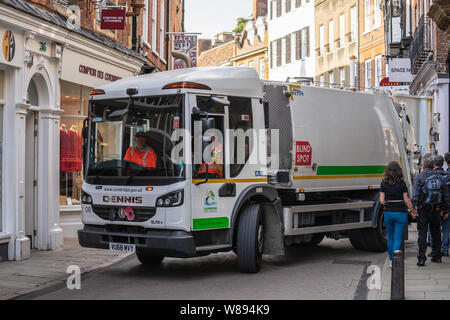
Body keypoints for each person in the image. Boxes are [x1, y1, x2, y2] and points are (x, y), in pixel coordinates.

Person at [380, 161, 418, 268]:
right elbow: (406, 200)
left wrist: (388, 202)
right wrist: (413, 211)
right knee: (398, 238)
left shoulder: (383, 183)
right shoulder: (402, 183)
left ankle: (391, 261)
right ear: (399, 171)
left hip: (388, 213)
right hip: (401, 213)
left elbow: (381, 201)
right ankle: (395, 261)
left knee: (390, 237)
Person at [412, 158, 449, 266]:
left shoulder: (419, 177)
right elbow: (445, 196)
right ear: (433, 166)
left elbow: (415, 195)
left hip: (423, 209)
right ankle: (437, 256)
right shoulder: (440, 178)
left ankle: (421, 258)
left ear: (423, 167)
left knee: (422, 233)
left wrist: (414, 209)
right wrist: (445, 210)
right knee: (436, 232)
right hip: (436, 209)